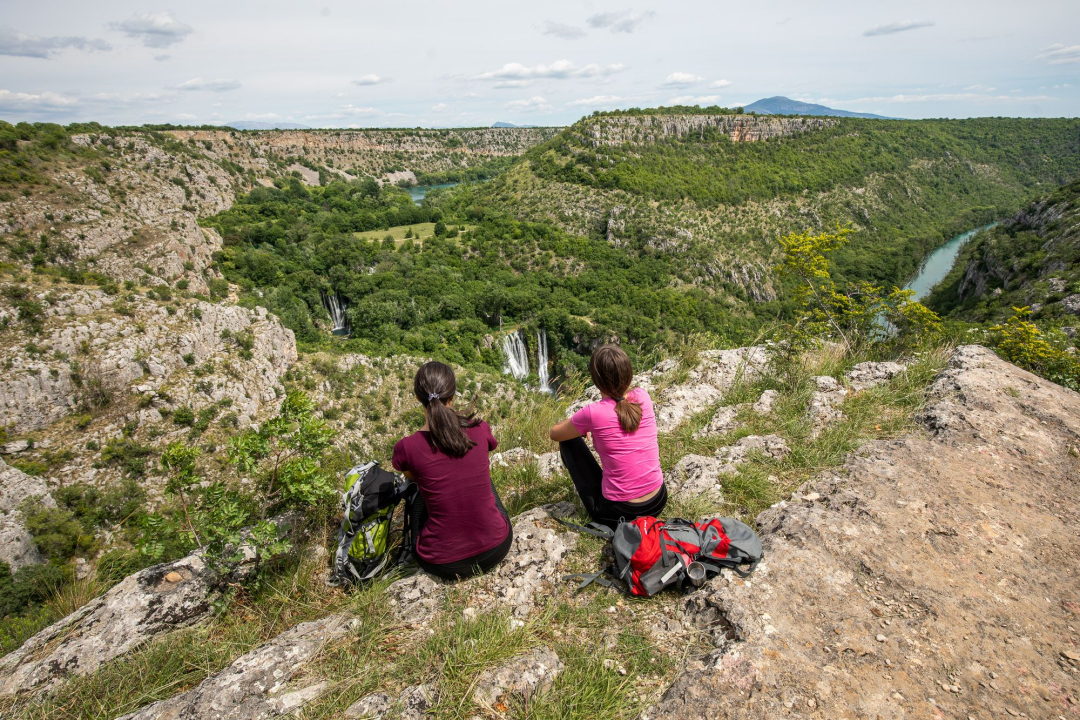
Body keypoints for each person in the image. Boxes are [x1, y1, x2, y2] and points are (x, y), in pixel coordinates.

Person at [391, 361, 512, 579]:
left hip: (442, 564)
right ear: (452, 396)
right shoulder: (479, 427)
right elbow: (490, 447)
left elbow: (409, 474)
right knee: (482, 478)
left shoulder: (406, 447)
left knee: (418, 488)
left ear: (419, 398)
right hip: (497, 548)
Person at [549, 345, 667, 529]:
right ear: (629, 373)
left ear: (596, 380)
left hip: (622, 512)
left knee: (568, 441)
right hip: (658, 500)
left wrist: (581, 427)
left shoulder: (593, 413)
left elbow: (555, 433)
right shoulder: (643, 396)